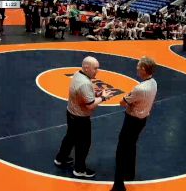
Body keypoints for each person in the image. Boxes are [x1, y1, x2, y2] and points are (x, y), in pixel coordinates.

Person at [54, 56, 114, 178]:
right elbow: (90, 105)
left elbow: (83, 95)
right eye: (95, 68)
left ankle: (61, 158)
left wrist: (97, 93)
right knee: (83, 144)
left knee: (70, 137)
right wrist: (103, 98)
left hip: (71, 113)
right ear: (86, 68)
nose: (97, 71)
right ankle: (79, 169)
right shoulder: (85, 83)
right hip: (80, 118)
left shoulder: (78, 74)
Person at [111, 56, 158, 191]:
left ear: (143, 69)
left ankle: (118, 185)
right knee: (131, 145)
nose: (136, 68)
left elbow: (123, 102)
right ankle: (130, 172)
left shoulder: (140, 88)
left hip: (132, 120)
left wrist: (127, 97)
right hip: (142, 120)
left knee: (121, 150)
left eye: (138, 66)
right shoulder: (154, 83)